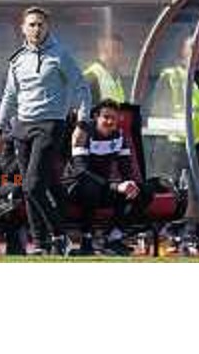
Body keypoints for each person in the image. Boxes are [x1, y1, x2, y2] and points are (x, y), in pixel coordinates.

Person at [0, 6, 91, 255]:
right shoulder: (17, 59)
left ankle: (61, 235)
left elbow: (82, 89)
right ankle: (40, 244)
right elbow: (9, 96)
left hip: (50, 125)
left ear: (48, 28)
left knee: (32, 185)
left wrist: (82, 123)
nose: (36, 29)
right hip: (21, 127)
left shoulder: (60, 55)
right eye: (32, 24)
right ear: (23, 28)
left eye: (41, 24)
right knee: (30, 188)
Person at [152, 36, 199, 254]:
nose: (198, 52)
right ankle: (174, 233)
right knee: (177, 189)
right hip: (178, 143)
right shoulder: (171, 76)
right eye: (193, 48)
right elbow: (159, 109)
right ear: (182, 52)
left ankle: (192, 233)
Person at [64, 99, 153, 255]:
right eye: (106, 117)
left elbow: (126, 167)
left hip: (103, 186)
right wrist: (116, 186)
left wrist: (130, 184)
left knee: (144, 191)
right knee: (91, 188)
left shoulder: (119, 135)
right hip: (75, 188)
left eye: (114, 117)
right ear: (96, 117)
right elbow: (81, 171)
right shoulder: (84, 134)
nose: (110, 121)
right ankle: (86, 241)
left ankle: (114, 238)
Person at [84, 33, 126, 105]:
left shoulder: (116, 79)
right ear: (106, 51)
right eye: (118, 51)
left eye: (122, 51)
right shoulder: (92, 77)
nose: (122, 56)